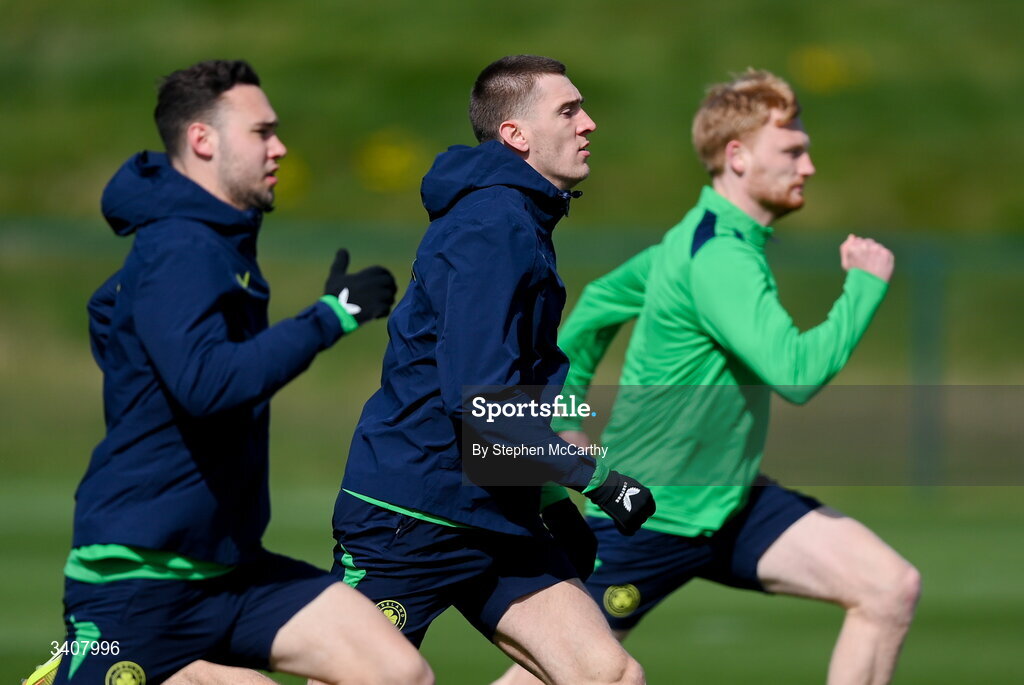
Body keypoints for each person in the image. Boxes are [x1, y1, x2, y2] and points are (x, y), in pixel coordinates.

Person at [496, 69, 921, 685]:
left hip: (731, 500)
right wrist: (864, 286)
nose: (809, 167)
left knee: (889, 587)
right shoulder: (718, 254)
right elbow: (796, 373)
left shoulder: (698, 238)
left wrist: (565, 416)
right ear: (739, 157)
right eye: (793, 151)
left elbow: (592, 311)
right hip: (653, 513)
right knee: (574, 675)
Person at [51, 59, 432, 685]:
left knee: (395, 670)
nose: (279, 147)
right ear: (204, 140)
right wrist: (331, 316)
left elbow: (108, 310)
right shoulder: (182, 244)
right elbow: (207, 384)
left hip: (230, 569)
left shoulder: (213, 240)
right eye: (262, 132)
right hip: (140, 578)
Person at [331, 55, 654, 685]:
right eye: (568, 110)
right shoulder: (493, 224)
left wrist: (552, 502)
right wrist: (598, 479)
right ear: (515, 135)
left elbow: (519, 390)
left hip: (494, 512)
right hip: (413, 515)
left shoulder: (522, 217)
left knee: (607, 674)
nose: (589, 123)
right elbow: (480, 404)